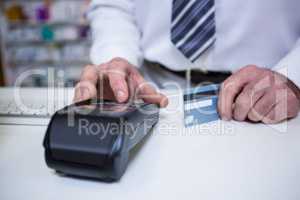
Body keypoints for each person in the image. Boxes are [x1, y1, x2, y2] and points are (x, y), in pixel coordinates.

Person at [74, 0, 300, 124]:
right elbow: (114, 5)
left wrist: (292, 74)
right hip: (151, 93)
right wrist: (116, 56)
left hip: (265, 99)